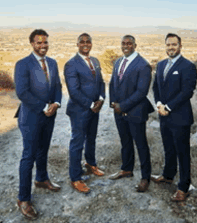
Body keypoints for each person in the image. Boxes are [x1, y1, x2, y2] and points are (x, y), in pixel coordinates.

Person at [14, 29, 62, 220]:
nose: (43, 46)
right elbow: (22, 93)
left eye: (45, 42)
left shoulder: (52, 63)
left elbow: (57, 86)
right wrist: (44, 106)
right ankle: (23, 199)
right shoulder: (23, 64)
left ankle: (41, 179)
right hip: (31, 117)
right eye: (39, 43)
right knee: (29, 156)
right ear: (32, 43)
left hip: (49, 116)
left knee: (43, 150)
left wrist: (56, 104)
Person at [152, 33, 197, 201]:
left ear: (180, 46)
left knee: (182, 153)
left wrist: (168, 107)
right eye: (168, 45)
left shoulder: (188, 66)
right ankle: (168, 175)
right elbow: (155, 86)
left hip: (180, 117)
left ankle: (183, 187)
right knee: (168, 148)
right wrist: (158, 104)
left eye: (174, 44)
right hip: (163, 115)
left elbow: (187, 92)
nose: (171, 47)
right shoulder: (161, 64)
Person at [109, 35, 154, 192]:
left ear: (135, 45)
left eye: (129, 43)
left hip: (135, 111)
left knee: (141, 144)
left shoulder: (143, 65)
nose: (126, 46)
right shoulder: (118, 62)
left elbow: (141, 92)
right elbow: (113, 83)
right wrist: (113, 103)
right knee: (125, 141)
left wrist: (124, 106)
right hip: (119, 111)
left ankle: (145, 177)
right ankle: (126, 169)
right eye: (123, 43)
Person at [64, 33, 105, 194]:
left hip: (95, 108)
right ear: (77, 44)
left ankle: (90, 164)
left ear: (91, 44)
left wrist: (101, 99)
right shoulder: (71, 64)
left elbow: (101, 82)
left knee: (92, 138)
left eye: (88, 42)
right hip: (79, 110)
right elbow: (73, 91)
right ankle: (75, 178)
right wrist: (90, 105)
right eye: (82, 42)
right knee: (77, 143)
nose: (86, 44)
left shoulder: (95, 61)